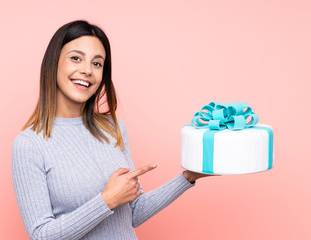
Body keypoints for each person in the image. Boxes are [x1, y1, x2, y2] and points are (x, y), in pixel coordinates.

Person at [11, 19, 215, 240]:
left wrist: (187, 177)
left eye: (97, 63)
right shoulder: (29, 144)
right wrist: (107, 200)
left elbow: (133, 212)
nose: (87, 70)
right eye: (76, 58)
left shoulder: (112, 128)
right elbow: (41, 235)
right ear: (54, 63)